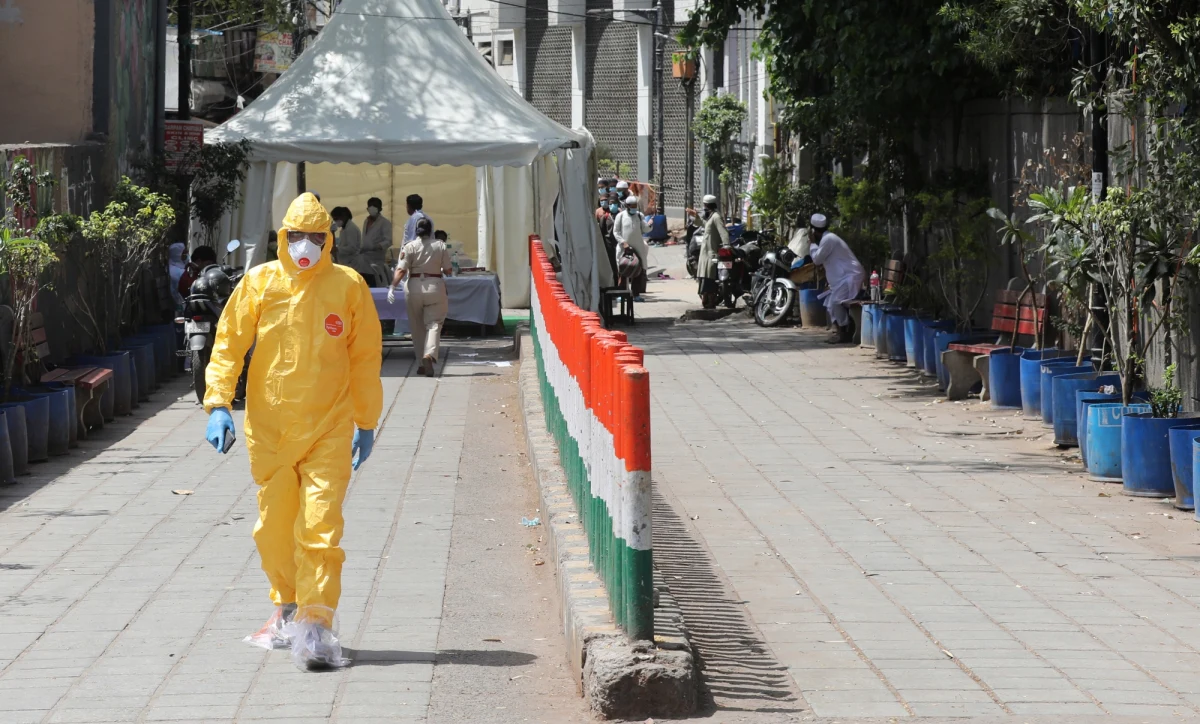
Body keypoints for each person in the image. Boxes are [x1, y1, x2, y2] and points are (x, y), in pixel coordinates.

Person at [203, 192, 383, 671]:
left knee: (320, 528)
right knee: (275, 529)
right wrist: (218, 403)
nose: (306, 245)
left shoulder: (348, 287)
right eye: (297, 235)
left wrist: (366, 420)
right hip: (271, 431)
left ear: (329, 240)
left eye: (315, 236)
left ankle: (316, 627)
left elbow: (365, 358)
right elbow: (229, 343)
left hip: (329, 427)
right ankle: (286, 606)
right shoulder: (259, 282)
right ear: (283, 237)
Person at [386, 217, 453, 377]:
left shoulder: (409, 247)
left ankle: (421, 364)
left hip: (414, 286)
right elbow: (448, 270)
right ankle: (429, 354)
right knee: (434, 324)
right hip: (435, 286)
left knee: (417, 327)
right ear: (431, 230)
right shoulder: (440, 245)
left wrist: (392, 287)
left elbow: (401, 270)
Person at [809, 213, 866, 344]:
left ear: (813, 231)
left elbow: (817, 259)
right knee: (830, 303)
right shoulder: (827, 239)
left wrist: (812, 244)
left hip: (850, 276)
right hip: (843, 278)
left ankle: (845, 332)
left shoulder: (828, 239)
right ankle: (840, 330)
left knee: (836, 302)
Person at [613, 194, 650, 300]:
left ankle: (636, 294)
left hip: (638, 247)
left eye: (635, 205)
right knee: (623, 270)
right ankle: (622, 294)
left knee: (638, 270)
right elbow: (616, 232)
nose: (634, 208)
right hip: (624, 248)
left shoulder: (639, 215)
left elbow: (645, 229)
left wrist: (650, 224)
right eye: (631, 206)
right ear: (627, 206)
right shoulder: (620, 216)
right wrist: (623, 243)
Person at [694, 195, 729, 309]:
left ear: (707, 205)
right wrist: (695, 216)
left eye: (704, 205)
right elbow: (703, 224)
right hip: (705, 252)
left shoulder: (716, 217)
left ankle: (711, 300)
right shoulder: (711, 216)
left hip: (711, 252)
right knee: (704, 276)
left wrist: (726, 245)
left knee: (709, 276)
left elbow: (723, 231)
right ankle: (705, 299)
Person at [331, 207, 381, 286]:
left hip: (353, 264)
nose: (335, 221)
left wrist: (337, 249)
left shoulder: (351, 229)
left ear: (344, 216)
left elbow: (352, 248)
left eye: (336, 219)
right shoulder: (344, 229)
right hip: (347, 263)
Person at [362, 197, 393, 268]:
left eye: (375, 206)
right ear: (367, 208)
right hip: (364, 258)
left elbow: (388, 241)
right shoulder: (366, 221)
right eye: (370, 206)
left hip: (377, 259)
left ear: (380, 209)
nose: (372, 208)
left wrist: (377, 246)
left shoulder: (385, 222)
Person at [168, 242, 187, 308]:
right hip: (180, 304)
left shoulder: (172, 266)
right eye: (184, 253)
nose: (186, 255)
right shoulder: (176, 272)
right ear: (177, 255)